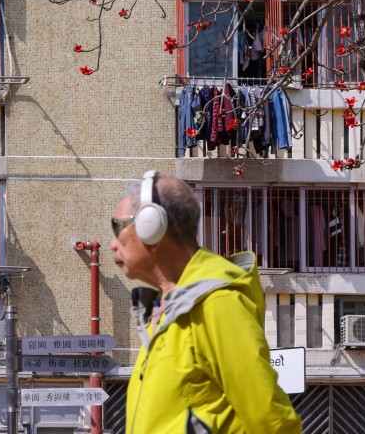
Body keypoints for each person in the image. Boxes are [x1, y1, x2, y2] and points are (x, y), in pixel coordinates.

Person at [111, 170, 302, 434]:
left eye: (118, 227)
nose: (112, 243)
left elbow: (273, 423)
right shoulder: (166, 312)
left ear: (151, 226)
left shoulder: (218, 303)